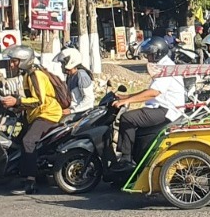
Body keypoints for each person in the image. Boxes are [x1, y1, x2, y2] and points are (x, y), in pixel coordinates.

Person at [112, 37, 185, 169]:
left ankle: (126, 159)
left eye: (149, 55)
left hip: (166, 110)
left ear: (157, 53)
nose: (147, 58)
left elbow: (153, 93)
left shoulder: (166, 68)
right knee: (134, 122)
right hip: (160, 107)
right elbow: (149, 91)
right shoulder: (162, 65)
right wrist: (127, 96)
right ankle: (135, 158)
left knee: (127, 118)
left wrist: (127, 101)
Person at [0, 45, 64, 194]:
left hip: (48, 114)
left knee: (28, 141)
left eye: (14, 61)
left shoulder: (35, 75)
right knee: (17, 141)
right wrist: (16, 106)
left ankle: (30, 182)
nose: (12, 65)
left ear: (24, 61)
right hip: (36, 114)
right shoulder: (27, 75)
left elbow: (38, 101)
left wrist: (17, 102)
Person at [54, 47, 95, 115]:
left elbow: (89, 99)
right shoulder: (70, 76)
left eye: (63, 63)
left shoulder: (81, 76)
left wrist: (72, 111)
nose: (61, 66)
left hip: (81, 112)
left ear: (71, 62)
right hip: (73, 110)